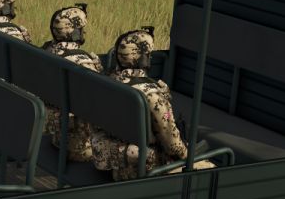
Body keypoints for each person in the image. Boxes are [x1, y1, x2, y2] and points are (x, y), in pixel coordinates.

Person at [91, 26, 213, 181]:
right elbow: (173, 145)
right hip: (147, 169)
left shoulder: (109, 82)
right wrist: (189, 154)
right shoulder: (152, 94)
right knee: (211, 168)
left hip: (120, 165)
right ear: (144, 58)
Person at [41, 3, 101, 163]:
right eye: (81, 28)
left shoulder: (46, 50)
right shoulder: (83, 62)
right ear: (75, 31)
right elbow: (99, 99)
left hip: (55, 133)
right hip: (78, 144)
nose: (83, 32)